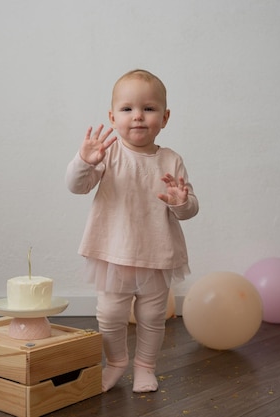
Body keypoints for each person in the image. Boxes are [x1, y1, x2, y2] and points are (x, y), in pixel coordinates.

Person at [66, 69, 199, 393]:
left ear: (164, 117)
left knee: (152, 317)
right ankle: (116, 362)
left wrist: (182, 201)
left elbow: (189, 209)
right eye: (127, 109)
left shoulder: (170, 159)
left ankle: (145, 366)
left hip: (156, 252)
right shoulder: (108, 153)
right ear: (112, 117)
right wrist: (84, 160)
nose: (138, 117)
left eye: (149, 109)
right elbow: (77, 186)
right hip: (114, 250)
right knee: (110, 315)